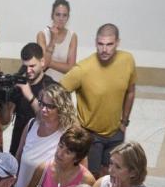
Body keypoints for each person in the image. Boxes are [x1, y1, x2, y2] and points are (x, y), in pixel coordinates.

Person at [59, 24, 138, 176]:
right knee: (91, 178)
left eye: (109, 44)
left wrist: (124, 122)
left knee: (111, 175)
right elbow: (58, 92)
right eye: (101, 44)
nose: (104, 49)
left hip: (116, 132)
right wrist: (74, 122)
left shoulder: (127, 60)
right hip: (91, 135)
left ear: (117, 43)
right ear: (96, 42)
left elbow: (131, 92)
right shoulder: (83, 69)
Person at [13, 83, 76, 187]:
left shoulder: (67, 135)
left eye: (49, 106)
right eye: (41, 103)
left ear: (61, 108)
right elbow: (18, 156)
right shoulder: (31, 124)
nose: (43, 109)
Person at [0, 42, 58, 156]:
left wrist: (29, 94)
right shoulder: (19, 82)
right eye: (25, 66)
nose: (28, 71)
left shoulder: (51, 87)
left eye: (32, 66)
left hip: (39, 146)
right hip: (17, 144)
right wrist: (4, 102)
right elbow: (5, 120)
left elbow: (47, 119)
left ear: (42, 62)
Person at [36, 0, 76, 83]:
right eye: (58, 14)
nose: (61, 19)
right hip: (44, 86)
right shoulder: (42, 35)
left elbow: (71, 68)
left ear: (68, 17)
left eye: (64, 15)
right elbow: (42, 66)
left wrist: (49, 62)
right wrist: (53, 39)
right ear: (52, 15)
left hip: (63, 86)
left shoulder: (72, 36)